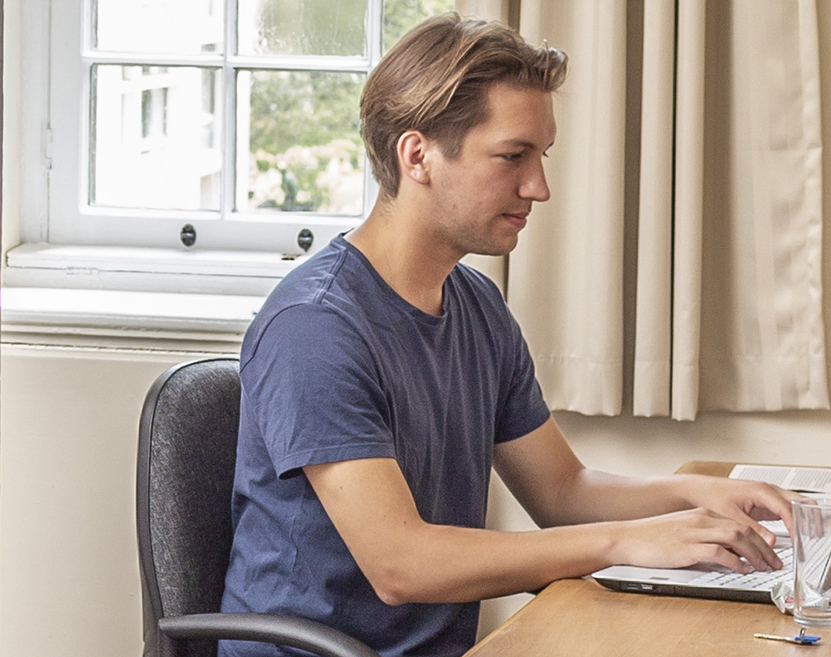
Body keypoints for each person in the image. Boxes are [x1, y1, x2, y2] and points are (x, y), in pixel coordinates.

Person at [220, 13, 796, 657]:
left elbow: (560, 492)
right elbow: (401, 565)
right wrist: (626, 540)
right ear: (419, 156)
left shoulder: (476, 305)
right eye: (512, 156)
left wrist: (693, 495)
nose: (538, 187)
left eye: (541, 157)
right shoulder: (316, 327)